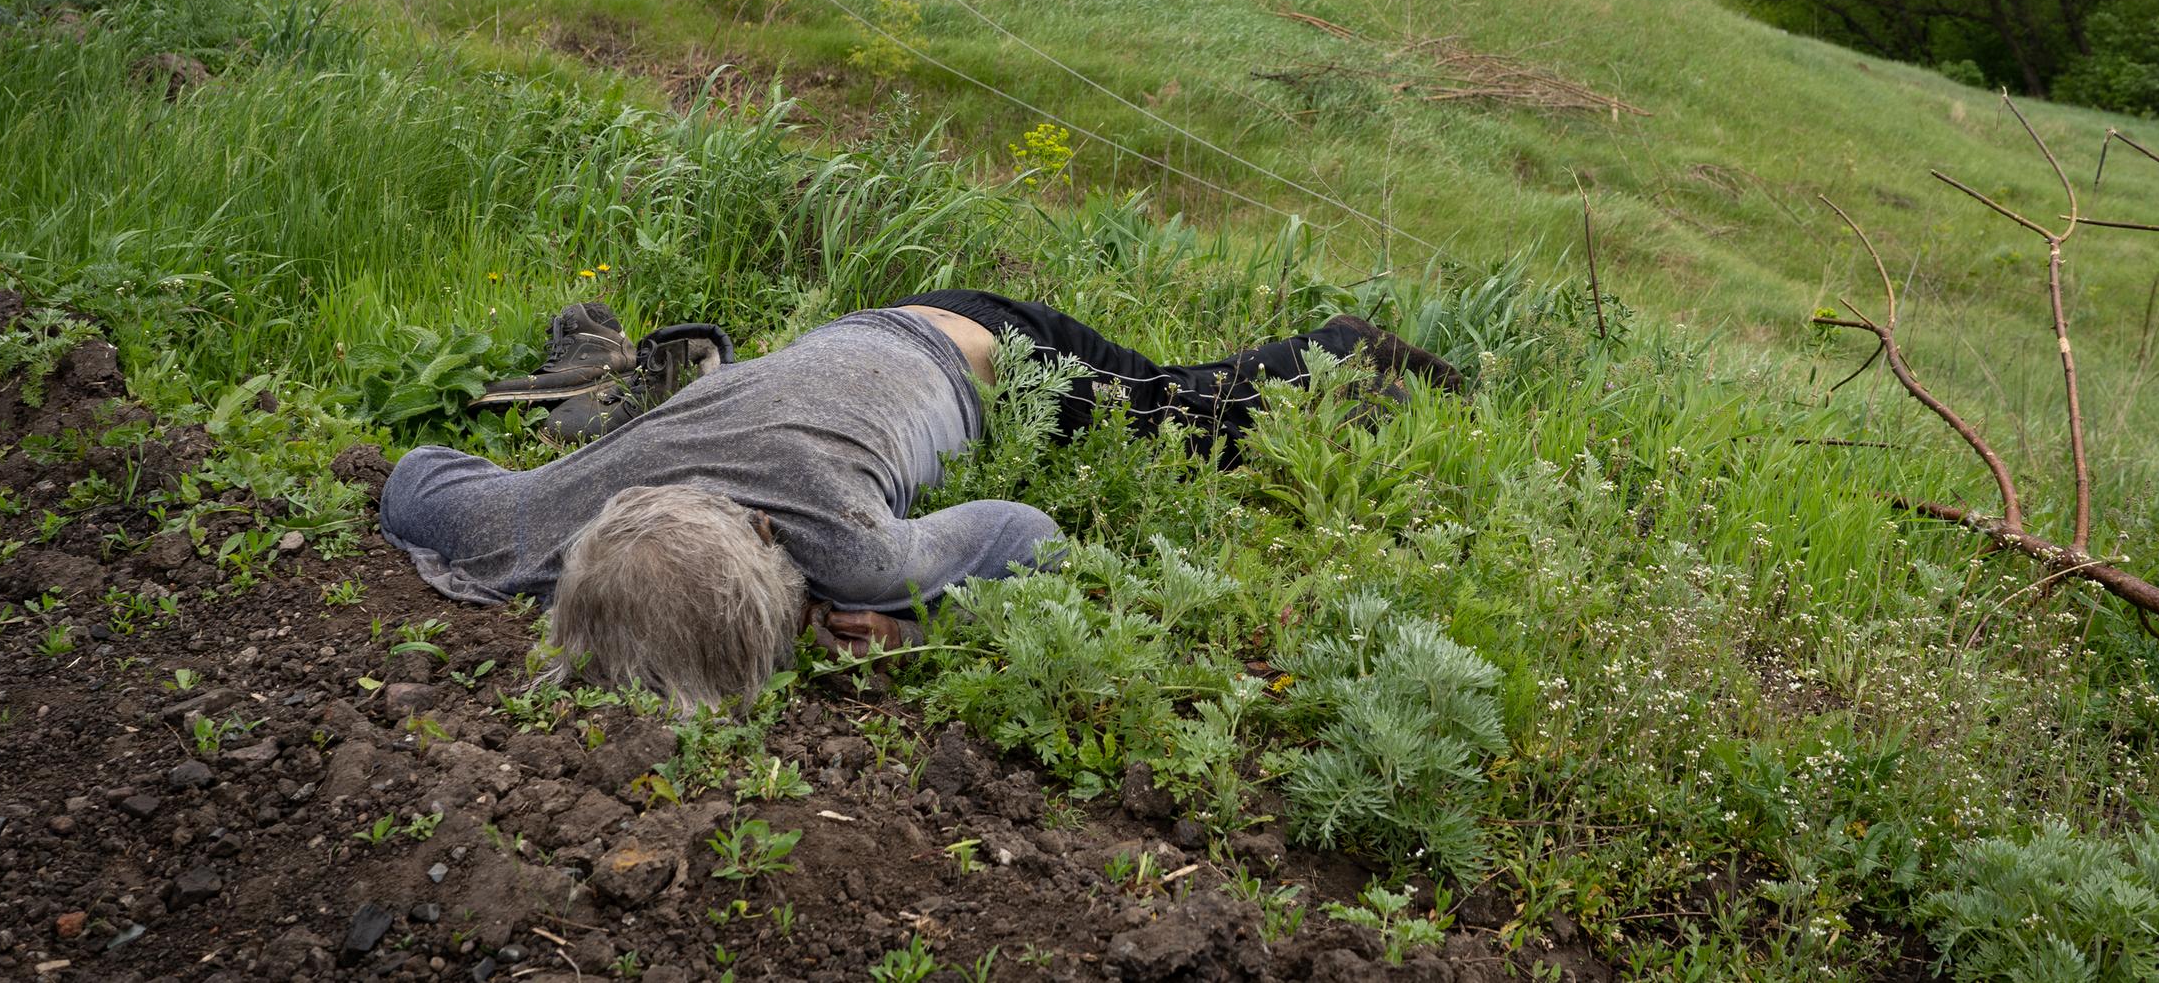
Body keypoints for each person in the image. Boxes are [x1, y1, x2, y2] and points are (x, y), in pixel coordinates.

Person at [377, 293, 1462, 710]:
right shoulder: (520, 526)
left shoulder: (852, 551)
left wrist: (918, 621)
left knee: (1191, 413)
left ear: (777, 545)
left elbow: (1032, 537)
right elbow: (411, 477)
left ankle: (1354, 352)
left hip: (967, 345)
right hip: (832, 351)